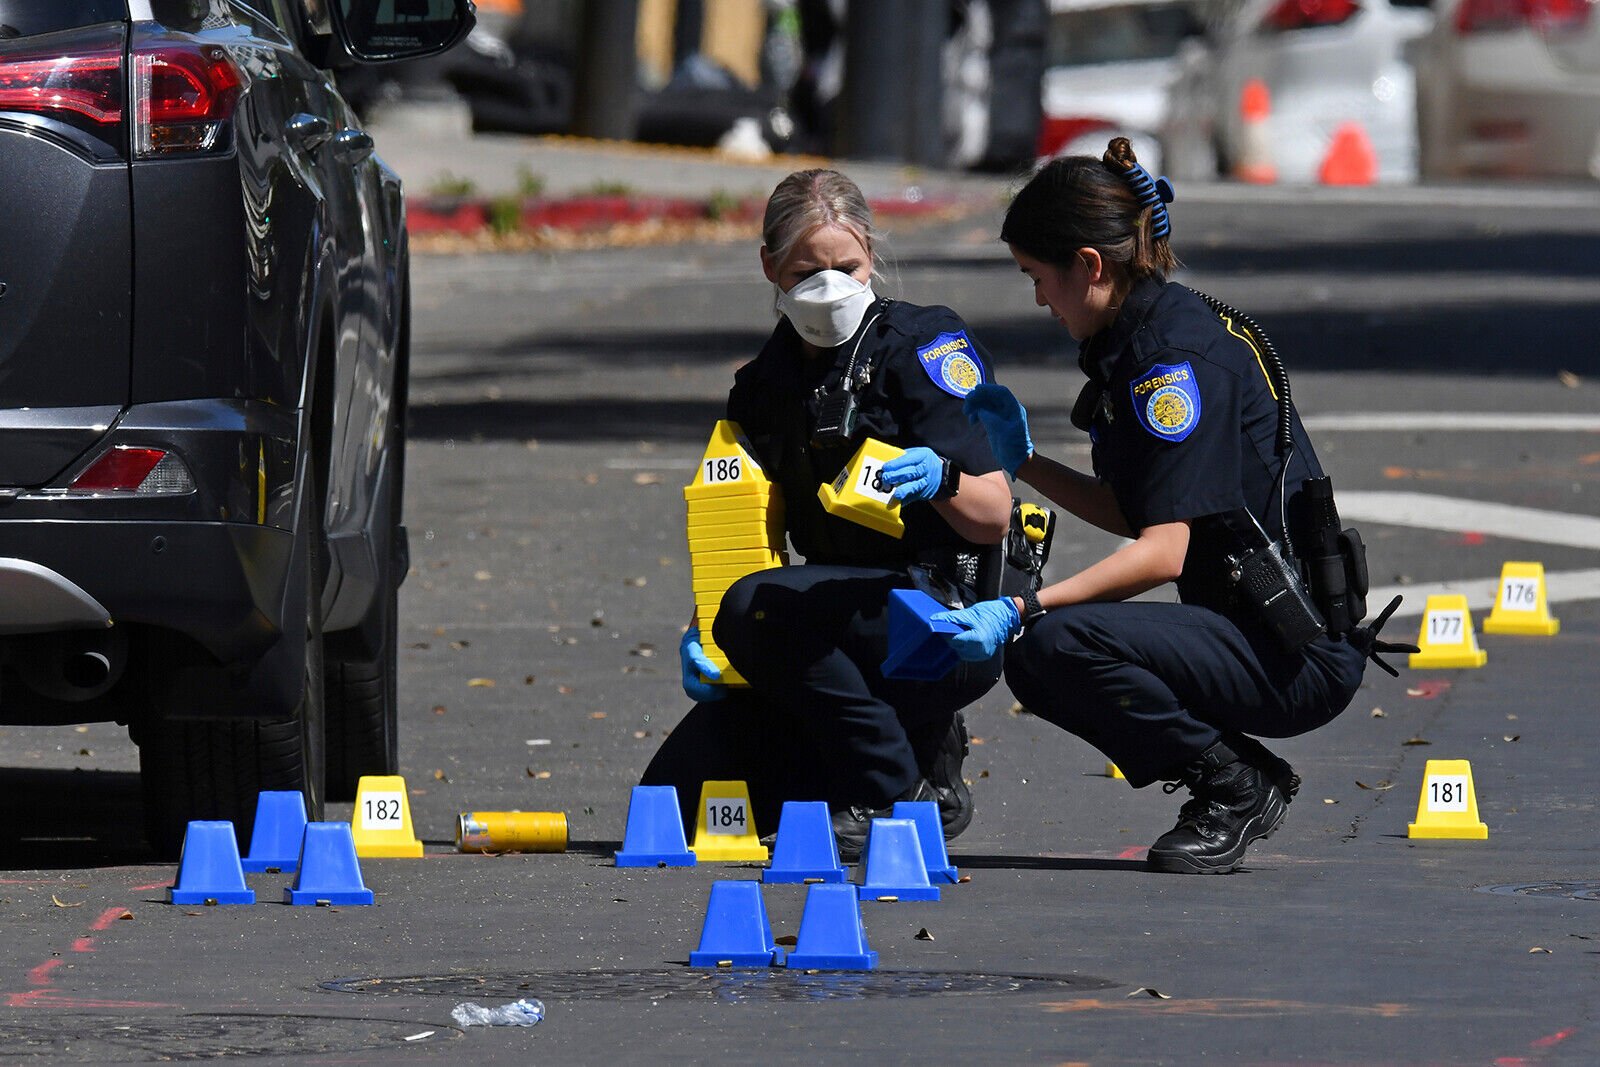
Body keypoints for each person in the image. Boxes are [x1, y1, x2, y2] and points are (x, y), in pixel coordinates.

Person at [934, 138, 1412, 875]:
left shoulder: (1170, 365)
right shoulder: (1143, 339)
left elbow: (1162, 552)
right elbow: (1141, 511)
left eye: (1037, 277)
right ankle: (1234, 774)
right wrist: (1022, 461)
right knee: (1048, 641)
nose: (1037, 299)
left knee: (1049, 644)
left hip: (1296, 651)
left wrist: (1026, 608)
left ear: (1089, 265)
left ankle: (1234, 785)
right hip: (1255, 629)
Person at [640, 169, 1014, 859]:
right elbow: (748, 532)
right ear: (770, 268)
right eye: (808, 270)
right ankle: (907, 753)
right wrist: (704, 629)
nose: (830, 286)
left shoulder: (921, 347)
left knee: (759, 607)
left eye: (847, 266)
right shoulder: (762, 386)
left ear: (870, 254)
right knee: (677, 795)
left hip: (938, 616)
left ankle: (894, 790)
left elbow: (994, 514)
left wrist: (942, 476)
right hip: (823, 629)